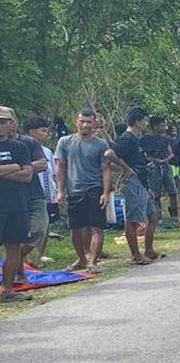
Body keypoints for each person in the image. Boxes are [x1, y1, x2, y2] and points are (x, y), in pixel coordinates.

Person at [54, 110, 113, 274]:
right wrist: (60, 191)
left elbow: (106, 169)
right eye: (82, 121)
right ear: (76, 122)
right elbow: (61, 167)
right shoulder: (65, 142)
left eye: (89, 121)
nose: (85, 124)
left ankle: (93, 261)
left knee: (96, 227)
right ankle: (81, 258)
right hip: (74, 190)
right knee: (76, 228)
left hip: (94, 189)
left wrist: (106, 192)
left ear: (94, 123)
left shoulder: (101, 144)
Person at [6, 110, 49, 284]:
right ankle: (18, 273)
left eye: (10, 121)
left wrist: (20, 168)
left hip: (34, 195)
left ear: (15, 122)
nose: (7, 125)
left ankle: (13, 265)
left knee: (39, 230)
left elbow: (42, 164)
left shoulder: (28, 142)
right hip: (10, 198)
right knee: (15, 238)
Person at [113, 107, 160, 264]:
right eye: (145, 120)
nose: (146, 124)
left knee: (153, 215)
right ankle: (135, 255)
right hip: (133, 182)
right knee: (133, 220)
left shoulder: (136, 139)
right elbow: (110, 154)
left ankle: (149, 249)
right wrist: (126, 169)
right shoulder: (126, 139)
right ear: (138, 122)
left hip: (142, 181)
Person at [0, 106, 33, 303]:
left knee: (13, 248)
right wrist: (13, 167)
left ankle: (8, 289)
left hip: (15, 205)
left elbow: (27, 175)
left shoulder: (20, 147)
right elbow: (19, 171)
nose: (2, 125)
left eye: (4, 121)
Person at [24, 116, 57, 265]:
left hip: (47, 193)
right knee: (31, 227)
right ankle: (23, 258)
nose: (46, 133)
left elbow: (52, 173)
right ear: (31, 132)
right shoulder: (23, 147)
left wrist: (57, 192)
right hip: (29, 193)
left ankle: (40, 254)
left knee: (45, 225)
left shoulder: (47, 151)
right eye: (43, 130)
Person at [141, 115, 178, 218]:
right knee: (156, 193)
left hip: (166, 167)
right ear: (155, 126)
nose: (164, 128)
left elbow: (171, 153)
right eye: (162, 126)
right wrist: (154, 160)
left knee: (173, 191)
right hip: (153, 168)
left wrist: (165, 160)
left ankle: (174, 215)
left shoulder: (165, 139)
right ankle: (158, 215)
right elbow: (144, 155)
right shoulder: (146, 140)